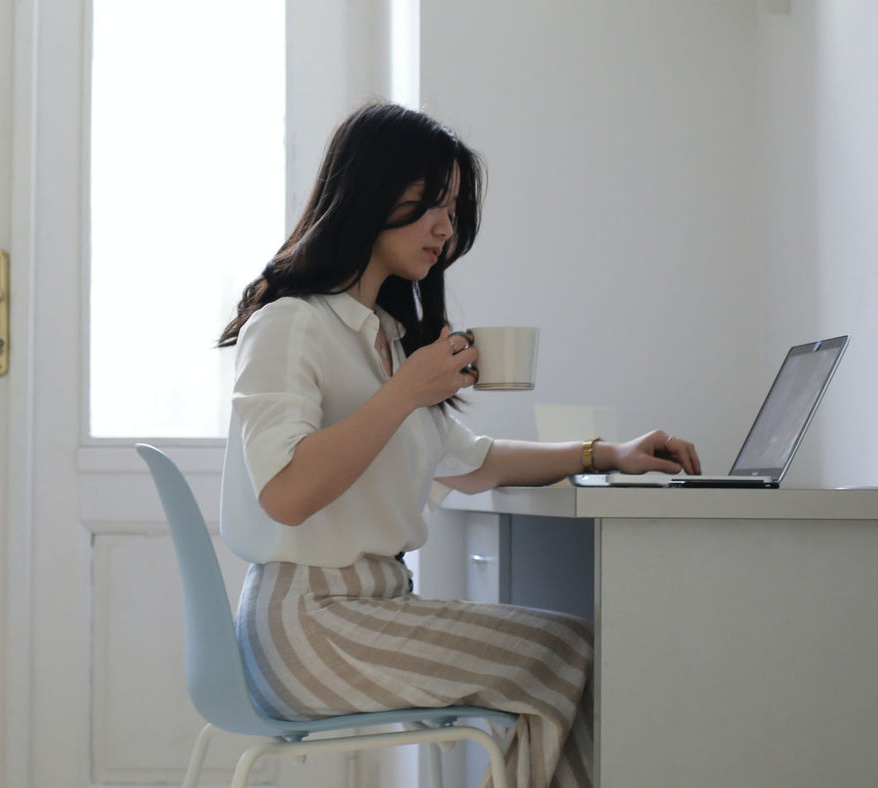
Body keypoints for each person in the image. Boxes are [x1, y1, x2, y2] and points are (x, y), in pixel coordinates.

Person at [216, 102, 701, 788]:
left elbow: (475, 463)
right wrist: (404, 393)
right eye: (429, 203)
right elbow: (286, 494)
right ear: (372, 193)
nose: (445, 226)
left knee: (568, 653)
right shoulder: (291, 323)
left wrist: (606, 453)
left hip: (365, 611)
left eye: (452, 206)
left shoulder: (383, 335)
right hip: (309, 625)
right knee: (566, 654)